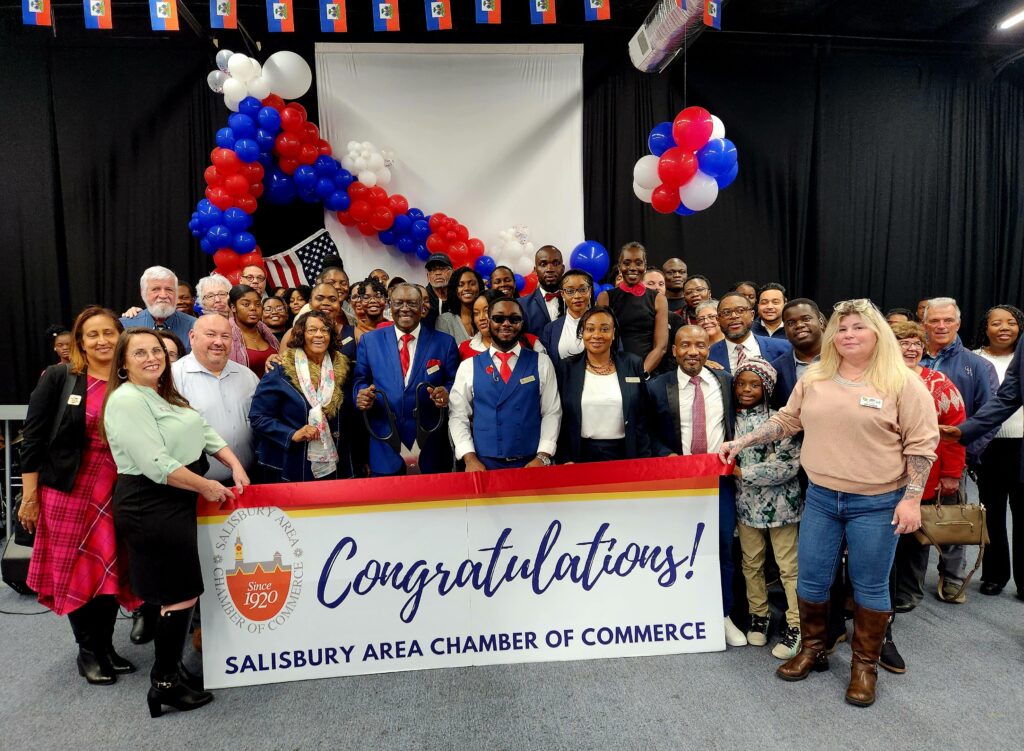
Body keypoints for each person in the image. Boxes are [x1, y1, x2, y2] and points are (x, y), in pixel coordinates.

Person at [719, 299, 938, 708]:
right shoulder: (817, 376)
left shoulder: (902, 383)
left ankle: (864, 666)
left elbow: (922, 448)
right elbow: (787, 420)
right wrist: (742, 440)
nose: (849, 335)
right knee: (812, 580)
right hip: (820, 497)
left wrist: (912, 500)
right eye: (842, 328)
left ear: (878, 334)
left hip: (877, 501)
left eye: (858, 327)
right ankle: (814, 648)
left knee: (869, 584)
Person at [102, 328, 248, 717]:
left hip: (175, 499)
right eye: (140, 353)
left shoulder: (162, 394)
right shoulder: (128, 400)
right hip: (150, 501)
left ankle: (173, 673)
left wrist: (233, 464)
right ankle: (164, 684)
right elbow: (156, 464)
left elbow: (203, 431)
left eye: (157, 351)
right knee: (179, 593)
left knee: (181, 590)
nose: (152, 357)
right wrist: (208, 487)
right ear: (123, 362)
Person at [19, 306, 140, 686]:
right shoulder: (60, 378)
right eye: (92, 334)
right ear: (80, 342)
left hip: (116, 491)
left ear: (121, 336)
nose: (102, 340)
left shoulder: (131, 380)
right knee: (77, 571)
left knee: (109, 569)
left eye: (109, 332)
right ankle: (87, 650)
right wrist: (30, 496)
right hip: (67, 491)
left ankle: (105, 646)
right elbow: (34, 439)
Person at [647, 325, 743, 646]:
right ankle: (676, 611)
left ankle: (722, 613)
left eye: (700, 346)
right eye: (685, 345)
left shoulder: (726, 383)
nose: (692, 352)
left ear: (709, 350)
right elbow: (646, 435)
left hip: (719, 483)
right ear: (673, 350)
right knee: (672, 548)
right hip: (676, 483)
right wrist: (669, 456)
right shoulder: (657, 388)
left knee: (722, 549)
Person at [886, 321, 965, 672]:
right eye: (903, 342)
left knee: (916, 538)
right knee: (886, 534)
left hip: (927, 476)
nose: (911, 348)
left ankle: (909, 591)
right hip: (883, 477)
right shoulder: (879, 380)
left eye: (917, 343)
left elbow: (955, 430)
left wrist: (951, 473)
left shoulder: (939, 383)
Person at [920, 296, 999, 602]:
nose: (941, 326)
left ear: (959, 323)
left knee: (950, 516)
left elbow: (989, 417)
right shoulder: (909, 358)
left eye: (948, 320)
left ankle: (952, 576)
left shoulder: (976, 365)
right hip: (909, 457)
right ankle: (909, 579)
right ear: (924, 323)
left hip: (952, 457)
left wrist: (965, 453)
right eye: (934, 320)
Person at [730, 358, 803, 660]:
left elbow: (788, 465)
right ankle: (759, 614)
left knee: (788, 567)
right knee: (752, 563)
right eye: (741, 383)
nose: (746, 389)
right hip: (745, 507)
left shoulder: (780, 420)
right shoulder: (729, 420)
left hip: (782, 506)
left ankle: (797, 623)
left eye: (754, 384)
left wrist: (742, 473)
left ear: (767, 388)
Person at [354, 284, 459, 476]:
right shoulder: (370, 342)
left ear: (422, 307)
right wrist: (360, 395)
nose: (405, 308)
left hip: (431, 449)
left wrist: (447, 393)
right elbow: (360, 380)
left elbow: (454, 384)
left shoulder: (445, 343)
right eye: (398, 303)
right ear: (389, 306)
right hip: (385, 447)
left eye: (412, 303)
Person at [449, 297, 562, 471]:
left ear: (522, 323)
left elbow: (552, 412)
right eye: (499, 318)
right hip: (483, 465)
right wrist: (469, 458)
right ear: (489, 321)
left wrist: (543, 456)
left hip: (532, 464)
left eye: (514, 319)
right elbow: (458, 415)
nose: (506, 324)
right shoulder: (468, 366)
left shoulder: (542, 362)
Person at [249, 312, 353, 482]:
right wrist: (292, 434)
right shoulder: (280, 370)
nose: (319, 335)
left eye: (325, 330)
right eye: (312, 330)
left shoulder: (343, 370)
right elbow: (258, 417)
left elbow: (350, 418)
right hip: (292, 464)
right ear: (301, 334)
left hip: (336, 463)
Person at [964, 305, 1024, 598]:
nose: (1004, 328)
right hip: (988, 447)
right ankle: (994, 575)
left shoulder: (1022, 357)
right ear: (985, 328)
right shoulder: (973, 360)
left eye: (1011, 323)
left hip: (1021, 445)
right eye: (996, 323)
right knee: (992, 513)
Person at [173, 314, 260, 487]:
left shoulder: (247, 376)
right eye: (211, 334)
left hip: (248, 480)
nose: (218, 342)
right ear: (192, 337)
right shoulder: (173, 377)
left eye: (225, 336)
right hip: (198, 487)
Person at [556, 307, 650, 463]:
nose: (597, 335)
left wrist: (645, 458)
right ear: (582, 333)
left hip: (625, 453)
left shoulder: (632, 363)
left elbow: (643, 417)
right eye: (590, 329)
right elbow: (560, 419)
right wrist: (564, 458)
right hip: (579, 455)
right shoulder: (566, 368)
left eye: (604, 329)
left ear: (613, 333)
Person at [596, 242, 668, 376]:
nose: (633, 268)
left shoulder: (658, 299)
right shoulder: (605, 297)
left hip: (647, 373)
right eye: (627, 263)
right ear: (619, 267)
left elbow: (661, 347)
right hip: (613, 372)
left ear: (645, 267)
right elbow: (600, 339)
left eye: (638, 263)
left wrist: (642, 373)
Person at [709, 291, 791, 374]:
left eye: (740, 310)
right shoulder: (708, 355)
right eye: (726, 312)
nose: (734, 316)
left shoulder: (784, 348)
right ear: (718, 320)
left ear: (752, 315)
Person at [119, 266, 195, 352]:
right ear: (143, 292)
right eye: (156, 289)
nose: (163, 295)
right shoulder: (124, 325)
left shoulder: (194, 326)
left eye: (169, 289)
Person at [460, 290, 546, 361]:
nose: (481, 318)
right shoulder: (463, 349)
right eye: (476, 313)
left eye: (486, 311)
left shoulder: (532, 342)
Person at [771, 298, 825, 407]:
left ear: (821, 322)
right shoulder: (776, 369)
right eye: (791, 323)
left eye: (806, 319)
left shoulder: (845, 356)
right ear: (785, 330)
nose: (799, 325)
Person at [540, 270, 593, 367]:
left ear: (590, 291)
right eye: (570, 291)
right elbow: (547, 366)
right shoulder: (551, 329)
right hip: (563, 381)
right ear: (562, 294)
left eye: (582, 289)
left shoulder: (605, 324)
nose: (577, 296)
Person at [227, 285, 279, 377]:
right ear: (233, 307)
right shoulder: (227, 337)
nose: (253, 308)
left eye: (258, 304)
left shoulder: (267, 334)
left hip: (275, 389)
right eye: (246, 304)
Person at [520, 245, 566, 337]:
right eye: (543, 264)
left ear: (563, 269)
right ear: (535, 270)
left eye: (556, 263)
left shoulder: (575, 301)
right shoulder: (522, 305)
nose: (549, 269)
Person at [436, 267, 485, 346]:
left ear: (480, 286)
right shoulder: (445, 321)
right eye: (460, 285)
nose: (467, 288)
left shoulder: (487, 317)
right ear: (455, 289)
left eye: (472, 284)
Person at [352, 277, 390, 341]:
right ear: (360, 302)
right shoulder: (354, 332)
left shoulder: (394, 329)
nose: (373, 301)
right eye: (366, 297)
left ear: (386, 301)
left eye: (378, 296)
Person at [423, 253, 453, 329]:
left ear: (451, 272)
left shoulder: (458, 295)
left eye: (442, 268)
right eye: (433, 270)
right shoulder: (422, 298)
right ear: (428, 276)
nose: (438, 273)